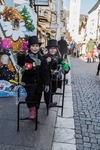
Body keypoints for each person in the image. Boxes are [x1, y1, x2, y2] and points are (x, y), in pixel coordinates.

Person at [21, 36, 50, 119]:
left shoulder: (42, 59)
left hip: (39, 83)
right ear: (30, 47)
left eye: (37, 46)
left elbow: (45, 72)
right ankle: (32, 110)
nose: (35, 48)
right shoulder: (26, 58)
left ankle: (35, 112)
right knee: (30, 97)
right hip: (28, 82)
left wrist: (47, 83)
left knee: (37, 99)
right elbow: (22, 68)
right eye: (33, 46)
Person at [44, 39, 62, 107]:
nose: (52, 50)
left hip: (55, 77)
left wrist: (65, 65)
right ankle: (48, 103)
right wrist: (46, 61)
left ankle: (50, 101)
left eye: (54, 48)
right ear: (48, 49)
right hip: (47, 76)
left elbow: (62, 63)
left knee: (54, 89)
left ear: (57, 49)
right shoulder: (45, 56)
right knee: (48, 90)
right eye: (51, 48)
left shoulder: (58, 57)